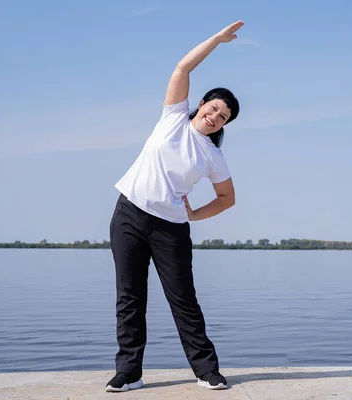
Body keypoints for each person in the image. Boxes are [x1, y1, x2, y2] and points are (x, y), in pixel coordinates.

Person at [105, 20, 244, 393]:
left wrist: (195, 214)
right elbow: (183, 67)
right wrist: (216, 40)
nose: (215, 116)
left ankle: (206, 370)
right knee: (130, 296)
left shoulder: (213, 155)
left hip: (171, 228)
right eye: (213, 107)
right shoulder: (172, 119)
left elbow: (228, 198)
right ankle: (129, 372)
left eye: (223, 116)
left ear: (223, 124)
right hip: (130, 215)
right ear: (201, 104)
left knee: (184, 300)